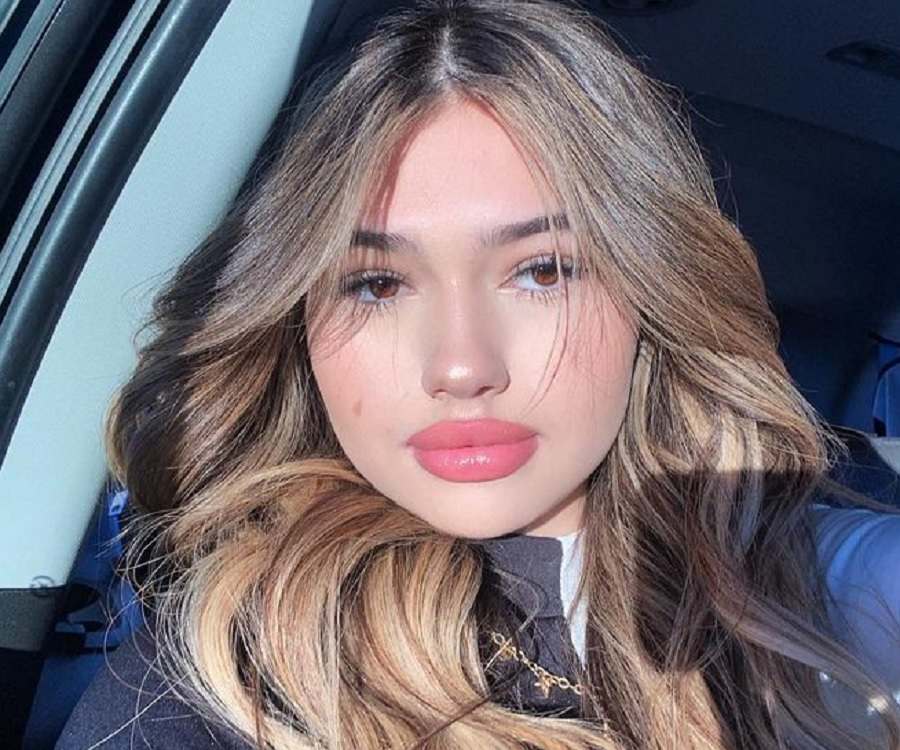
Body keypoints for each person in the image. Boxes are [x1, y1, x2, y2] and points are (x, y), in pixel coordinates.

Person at [56, 1, 900, 748]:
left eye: (542, 271)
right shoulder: (223, 687)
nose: (461, 367)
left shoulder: (816, 585)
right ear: (296, 323)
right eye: (377, 284)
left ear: (648, 293)